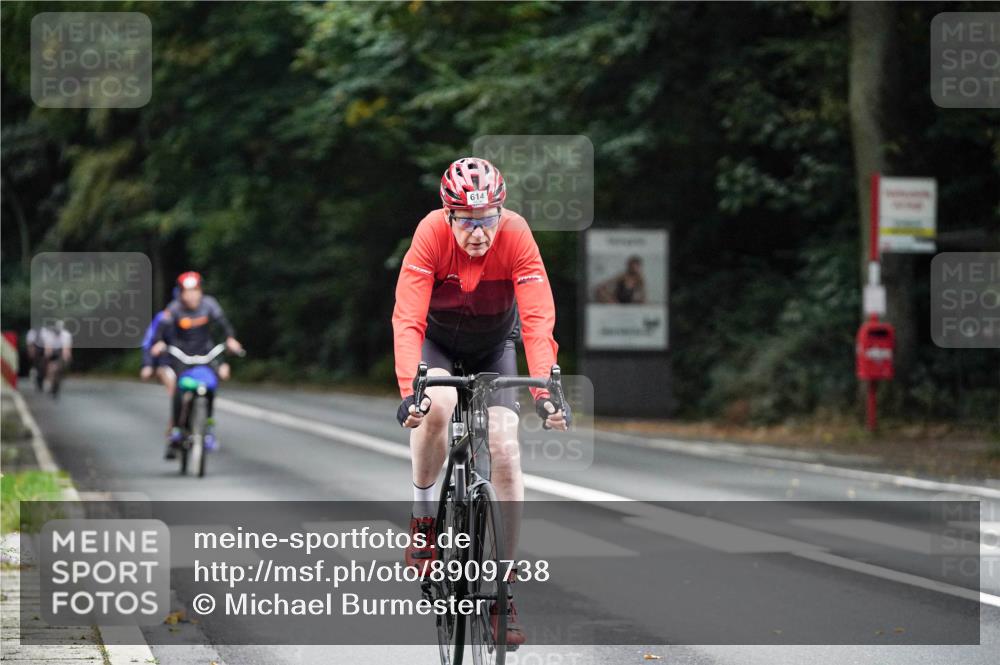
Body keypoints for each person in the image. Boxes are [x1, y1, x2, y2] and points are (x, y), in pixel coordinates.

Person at [392, 157, 570, 646]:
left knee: (507, 450)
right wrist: (412, 389)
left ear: (501, 212)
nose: (478, 233)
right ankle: (425, 519)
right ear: (449, 216)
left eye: (487, 219)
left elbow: (536, 321)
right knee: (440, 407)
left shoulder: (516, 235)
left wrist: (544, 394)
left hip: (494, 344)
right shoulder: (430, 234)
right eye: (467, 222)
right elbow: (407, 319)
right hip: (439, 344)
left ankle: (502, 591)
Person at [150, 272, 243, 459]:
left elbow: (223, 325)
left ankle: (207, 427)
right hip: (182, 355)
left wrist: (231, 340)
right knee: (179, 387)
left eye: (195, 291)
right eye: (187, 291)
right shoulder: (174, 308)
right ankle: (177, 428)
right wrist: (159, 343)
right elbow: (161, 329)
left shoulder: (209, 305)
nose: (191, 296)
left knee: (211, 385)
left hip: (205, 353)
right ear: (181, 293)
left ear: (200, 291)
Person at [140, 288, 179, 444]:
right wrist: (148, 364)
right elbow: (149, 341)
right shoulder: (164, 317)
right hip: (166, 363)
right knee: (177, 391)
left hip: (188, 362)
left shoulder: (201, 315)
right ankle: (174, 429)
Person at [39, 320, 72, 397]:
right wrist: (48, 358)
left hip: (60, 352)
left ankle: (59, 378)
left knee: (61, 365)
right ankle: (48, 381)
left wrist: (66, 357)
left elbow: (66, 349)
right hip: (51, 352)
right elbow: (48, 349)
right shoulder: (49, 335)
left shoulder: (66, 335)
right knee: (49, 367)